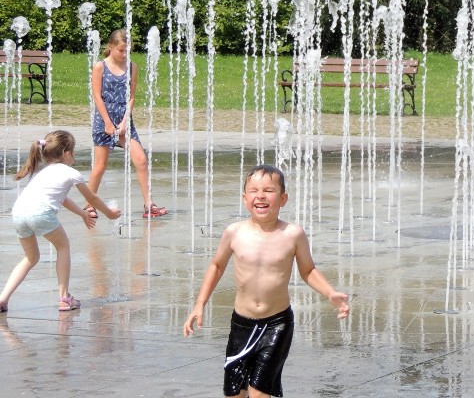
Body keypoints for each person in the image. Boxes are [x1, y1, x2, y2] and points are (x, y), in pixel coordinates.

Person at [183, 164, 349, 398]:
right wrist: (199, 303)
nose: (260, 195)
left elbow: (308, 270)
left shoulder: (293, 234)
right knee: (234, 394)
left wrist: (330, 293)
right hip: (241, 324)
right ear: (244, 198)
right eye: (254, 190)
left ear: (283, 199)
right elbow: (217, 266)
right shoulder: (235, 232)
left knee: (260, 393)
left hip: (277, 323)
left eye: (269, 190)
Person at [0, 130, 122, 313]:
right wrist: (110, 213)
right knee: (63, 246)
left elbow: (62, 199)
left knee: (30, 258)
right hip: (40, 213)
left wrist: (82, 214)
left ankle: (2, 299)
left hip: (18, 213)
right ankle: (64, 298)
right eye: (72, 151)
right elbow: (93, 198)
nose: (73, 156)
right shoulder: (71, 173)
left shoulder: (44, 173)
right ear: (66, 154)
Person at [88, 28, 167, 219]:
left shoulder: (132, 67)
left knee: (141, 159)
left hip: (125, 121)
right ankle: (89, 205)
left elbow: (131, 97)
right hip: (104, 120)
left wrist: (124, 121)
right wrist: (108, 122)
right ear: (111, 47)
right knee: (100, 166)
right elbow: (97, 96)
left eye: (127, 51)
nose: (124, 54)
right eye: (121, 50)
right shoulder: (100, 66)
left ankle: (149, 205)